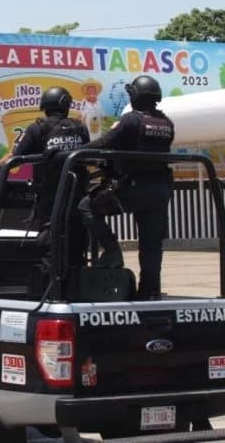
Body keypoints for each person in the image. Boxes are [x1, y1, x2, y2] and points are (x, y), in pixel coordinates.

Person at [0, 86, 90, 274]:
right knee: (76, 248)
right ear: (66, 105)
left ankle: (52, 292)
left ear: (45, 106)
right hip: (77, 200)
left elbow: (12, 159)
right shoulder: (80, 128)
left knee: (51, 248)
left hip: (50, 202)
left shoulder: (37, 129)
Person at [78, 75, 174, 299]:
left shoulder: (131, 120)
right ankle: (149, 291)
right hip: (160, 190)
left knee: (87, 207)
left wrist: (73, 153)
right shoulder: (166, 123)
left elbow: (105, 142)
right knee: (151, 245)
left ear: (134, 95)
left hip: (132, 187)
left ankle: (112, 253)